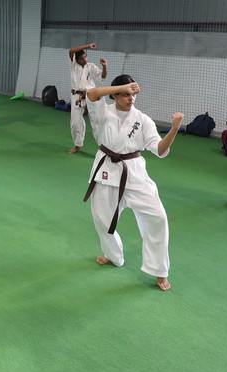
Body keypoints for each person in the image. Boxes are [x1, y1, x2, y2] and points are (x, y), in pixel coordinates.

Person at [83, 75, 183, 291]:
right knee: (103, 222)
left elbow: (160, 150)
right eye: (125, 94)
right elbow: (91, 93)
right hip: (106, 172)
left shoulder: (143, 120)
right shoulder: (103, 112)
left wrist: (174, 128)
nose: (131, 98)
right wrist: (123, 86)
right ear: (115, 95)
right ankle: (113, 255)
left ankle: (159, 270)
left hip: (135, 174)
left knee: (158, 217)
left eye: (133, 94)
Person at [67, 43, 107, 154]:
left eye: (85, 57)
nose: (85, 60)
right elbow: (71, 51)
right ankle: (77, 146)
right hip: (77, 96)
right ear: (76, 59)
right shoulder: (74, 65)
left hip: (91, 95)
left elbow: (103, 77)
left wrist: (104, 66)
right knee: (76, 123)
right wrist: (88, 46)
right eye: (81, 58)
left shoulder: (91, 66)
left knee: (96, 122)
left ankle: (104, 148)